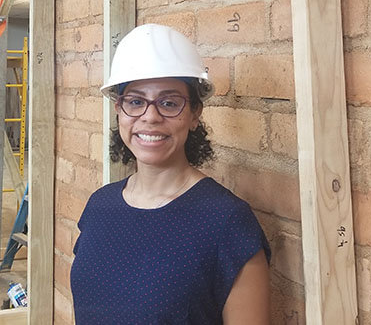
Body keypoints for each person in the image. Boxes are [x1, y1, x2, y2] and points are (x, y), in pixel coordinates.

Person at [70, 24, 271, 324]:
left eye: (169, 103)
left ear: (194, 114)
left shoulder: (227, 223)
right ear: (119, 110)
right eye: (135, 101)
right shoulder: (99, 207)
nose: (150, 117)